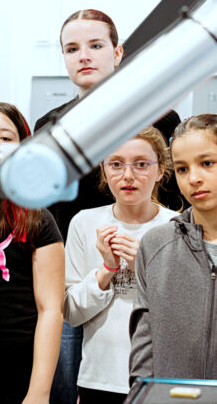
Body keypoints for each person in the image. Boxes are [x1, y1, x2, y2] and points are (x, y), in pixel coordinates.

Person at [64, 127, 177, 403]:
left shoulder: (177, 226)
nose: (128, 176)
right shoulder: (84, 223)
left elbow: (186, 314)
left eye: (141, 164)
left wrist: (148, 266)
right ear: (104, 171)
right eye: (116, 164)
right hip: (98, 377)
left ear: (160, 169)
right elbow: (70, 312)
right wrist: (107, 270)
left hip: (160, 376)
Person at [0, 102, 64, 404]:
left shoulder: (37, 217)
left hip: (22, 367)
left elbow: (51, 310)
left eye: (6, 138)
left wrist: (39, 391)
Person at [130, 114, 217, 382]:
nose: (194, 178)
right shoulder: (156, 244)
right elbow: (144, 346)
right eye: (182, 169)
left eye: (207, 163)